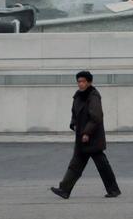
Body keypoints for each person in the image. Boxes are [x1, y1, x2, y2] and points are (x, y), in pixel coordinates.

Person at [51, 71, 120, 200]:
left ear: (89, 82)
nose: (80, 84)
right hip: (81, 138)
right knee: (75, 165)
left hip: (92, 138)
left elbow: (96, 117)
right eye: (79, 81)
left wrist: (87, 132)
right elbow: (74, 114)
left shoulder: (93, 96)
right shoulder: (77, 96)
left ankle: (113, 189)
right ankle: (64, 189)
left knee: (102, 166)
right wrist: (73, 125)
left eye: (83, 81)